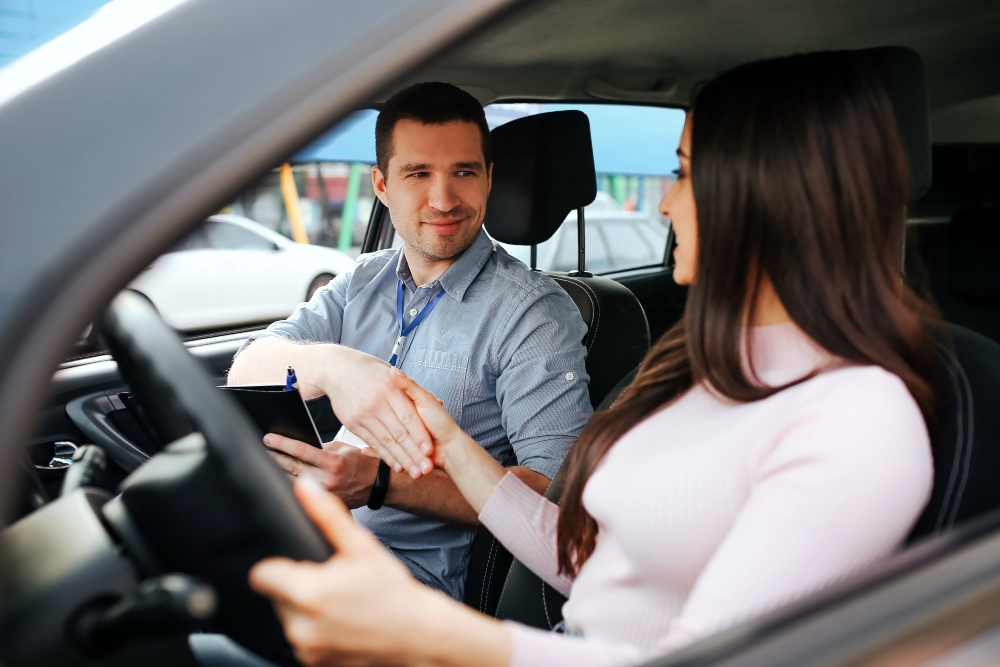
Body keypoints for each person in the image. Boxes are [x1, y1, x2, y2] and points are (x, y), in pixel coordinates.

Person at [248, 51, 940, 667]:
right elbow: (579, 553)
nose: (666, 202)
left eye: (685, 174)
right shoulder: (706, 369)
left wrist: (426, 632)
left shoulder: (858, 418)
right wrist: (448, 439)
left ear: (766, 196)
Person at [227, 82, 592, 600]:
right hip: (303, 540)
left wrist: (380, 483)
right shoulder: (361, 281)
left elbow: (553, 503)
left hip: (403, 588)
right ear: (381, 184)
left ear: (490, 179)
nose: (443, 200)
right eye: (418, 174)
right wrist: (332, 366)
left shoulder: (532, 313)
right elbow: (248, 367)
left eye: (463, 172)